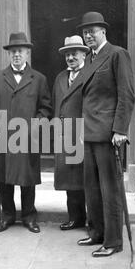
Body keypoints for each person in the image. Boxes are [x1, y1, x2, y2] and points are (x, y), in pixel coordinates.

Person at [76, 12, 135, 257]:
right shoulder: (90, 58)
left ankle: (113, 241)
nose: (88, 35)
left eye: (93, 31)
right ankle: (97, 232)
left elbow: (127, 94)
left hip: (108, 134)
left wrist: (120, 129)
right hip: (90, 132)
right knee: (92, 188)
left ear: (104, 32)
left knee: (110, 190)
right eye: (85, 32)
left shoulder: (116, 54)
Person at [0, 32, 52, 233]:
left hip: (28, 137)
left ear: (27, 53)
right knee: (4, 180)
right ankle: (7, 216)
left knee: (27, 179)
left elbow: (46, 108)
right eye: (13, 51)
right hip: (4, 136)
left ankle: (29, 216)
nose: (16, 55)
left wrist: (35, 126)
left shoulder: (39, 79)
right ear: (9, 54)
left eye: (20, 51)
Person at [52, 36, 88, 230]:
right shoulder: (60, 77)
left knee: (86, 179)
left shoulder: (90, 74)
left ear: (84, 53)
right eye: (67, 54)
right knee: (69, 179)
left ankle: (91, 219)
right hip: (64, 135)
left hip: (82, 135)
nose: (71, 57)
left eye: (74, 53)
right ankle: (75, 218)